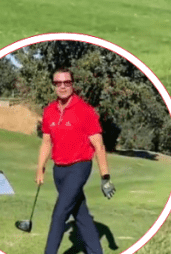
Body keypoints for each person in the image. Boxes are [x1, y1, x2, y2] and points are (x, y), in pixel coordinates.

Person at [36, 68, 116, 254]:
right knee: (81, 216)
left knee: (59, 214)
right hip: (59, 171)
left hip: (79, 167)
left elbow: (99, 146)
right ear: (54, 85)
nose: (62, 86)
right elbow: (47, 142)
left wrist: (105, 176)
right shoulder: (49, 112)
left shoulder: (85, 111)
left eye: (67, 82)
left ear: (72, 84)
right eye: (58, 83)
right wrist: (40, 168)